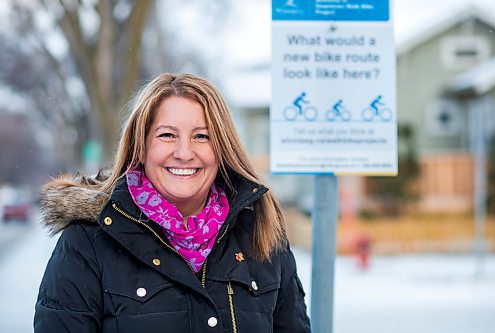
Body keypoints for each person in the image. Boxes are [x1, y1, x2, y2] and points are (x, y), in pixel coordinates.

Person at [34, 73, 311, 333]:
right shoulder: (87, 242)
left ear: (222, 149)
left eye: (202, 136)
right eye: (167, 135)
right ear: (141, 146)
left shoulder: (260, 232)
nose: (184, 153)